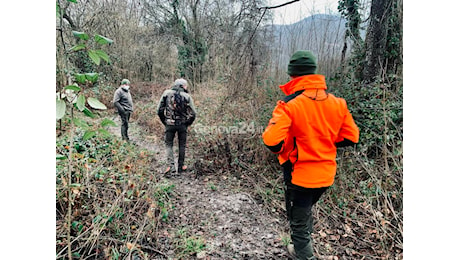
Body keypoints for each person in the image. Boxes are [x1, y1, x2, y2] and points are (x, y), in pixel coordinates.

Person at [262, 50, 360, 260]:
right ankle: (302, 247)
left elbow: (271, 140)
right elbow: (352, 137)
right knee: (304, 212)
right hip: (326, 175)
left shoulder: (290, 105)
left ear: (292, 75)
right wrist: (323, 142)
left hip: (300, 175)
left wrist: (285, 151)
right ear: (314, 73)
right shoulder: (338, 103)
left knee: (297, 221)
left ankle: (303, 254)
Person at [157, 78, 196, 175]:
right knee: (182, 145)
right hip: (182, 124)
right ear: (183, 86)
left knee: (169, 144)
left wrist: (165, 121)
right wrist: (188, 123)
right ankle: (181, 166)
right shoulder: (187, 96)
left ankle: (170, 166)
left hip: (169, 124)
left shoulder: (166, 93)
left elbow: (159, 110)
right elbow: (193, 113)